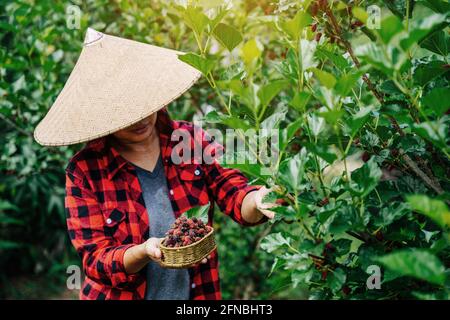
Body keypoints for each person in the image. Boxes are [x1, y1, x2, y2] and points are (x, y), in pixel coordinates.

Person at [34, 28, 277, 300]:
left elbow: (232, 192)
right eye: (124, 114)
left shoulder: (190, 141)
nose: (140, 119)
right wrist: (142, 252)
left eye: (143, 105)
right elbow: (95, 259)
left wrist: (257, 200)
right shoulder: (85, 173)